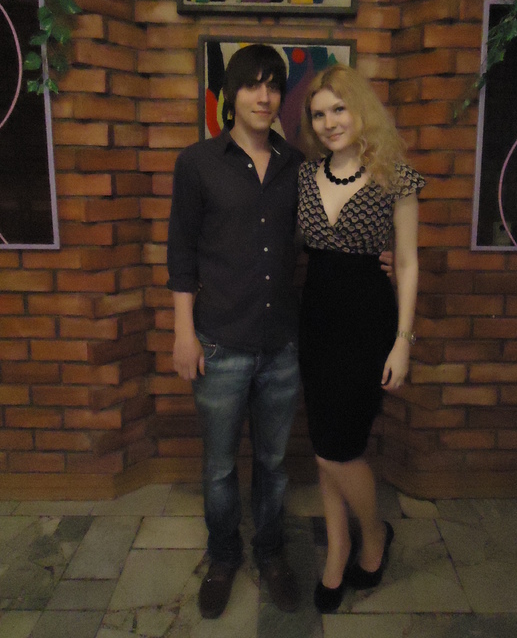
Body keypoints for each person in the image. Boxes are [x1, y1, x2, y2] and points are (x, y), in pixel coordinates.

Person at [167, 44, 303, 619]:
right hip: (218, 339)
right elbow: (181, 253)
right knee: (220, 465)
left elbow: (324, 235)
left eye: (273, 85)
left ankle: (270, 553)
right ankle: (223, 557)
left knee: (273, 463)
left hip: (282, 344)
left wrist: (385, 258)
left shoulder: (298, 165)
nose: (264, 96)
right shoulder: (197, 163)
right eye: (252, 84)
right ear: (231, 95)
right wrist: (184, 333)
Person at [297, 64, 425, 613]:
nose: (329, 122)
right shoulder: (305, 176)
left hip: (368, 322)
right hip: (316, 322)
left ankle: (373, 535)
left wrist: (403, 340)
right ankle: (339, 548)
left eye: (338, 109)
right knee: (325, 446)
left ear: (360, 110)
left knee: (338, 448)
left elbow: (409, 262)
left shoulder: (395, 176)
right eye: (318, 114)